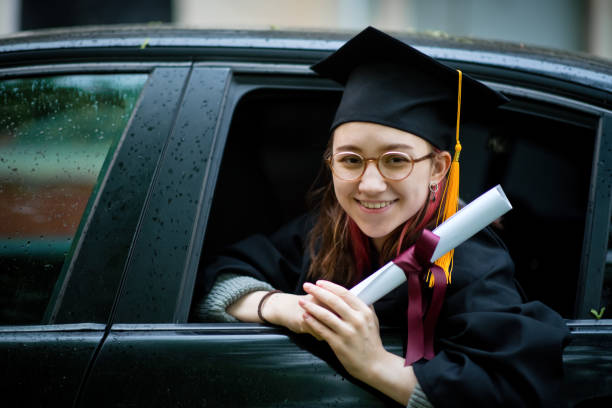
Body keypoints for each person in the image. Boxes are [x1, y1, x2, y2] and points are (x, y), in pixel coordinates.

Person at [194, 27, 569, 407]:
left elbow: (513, 394)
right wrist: (288, 308)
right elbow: (218, 281)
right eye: (351, 160)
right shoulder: (326, 232)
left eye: (396, 161)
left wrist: (374, 363)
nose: (370, 185)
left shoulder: (469, 261)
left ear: (439, 168)